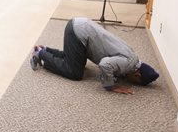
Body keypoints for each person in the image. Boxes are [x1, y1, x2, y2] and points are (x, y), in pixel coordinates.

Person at [30, 17, 159, 94]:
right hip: (78, 32)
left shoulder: (133, 57)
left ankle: (44, 49)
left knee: (74, 60)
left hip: (80, 26)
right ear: (137, 74)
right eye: (135, 82)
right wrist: (111, 86)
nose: (132, 82)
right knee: (74, 72)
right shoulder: (127, 63)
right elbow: (104, 64)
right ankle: (40, 53)